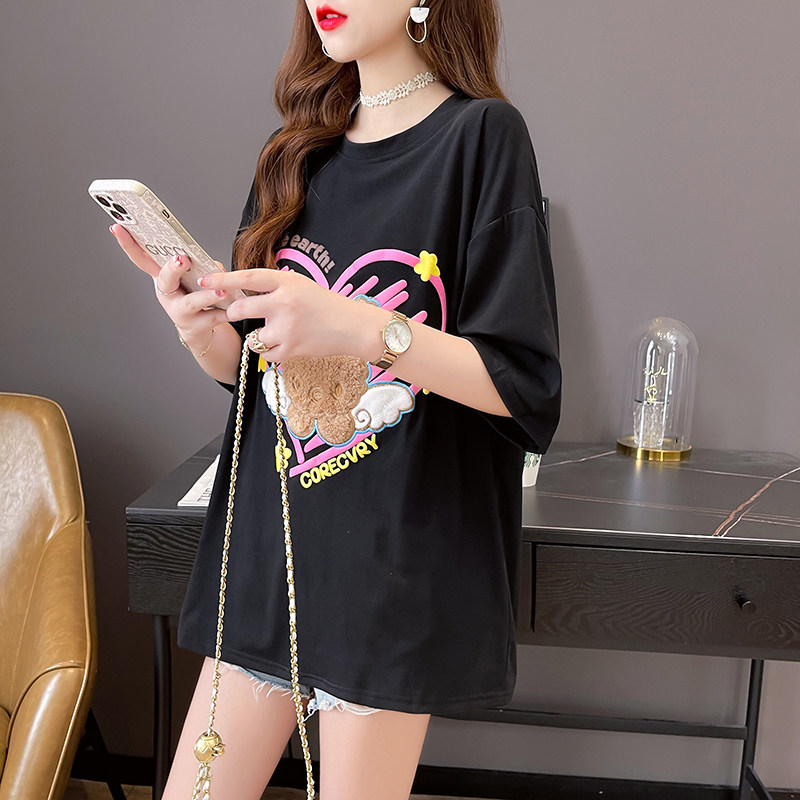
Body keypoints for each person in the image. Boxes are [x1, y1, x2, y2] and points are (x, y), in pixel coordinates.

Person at [111, 0, 561, 798]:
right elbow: (257, 374)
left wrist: (356, 325)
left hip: (390, 566)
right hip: (269, 553)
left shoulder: (483, 137)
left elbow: (521, 384)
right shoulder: (294, 153)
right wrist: (197, 327)